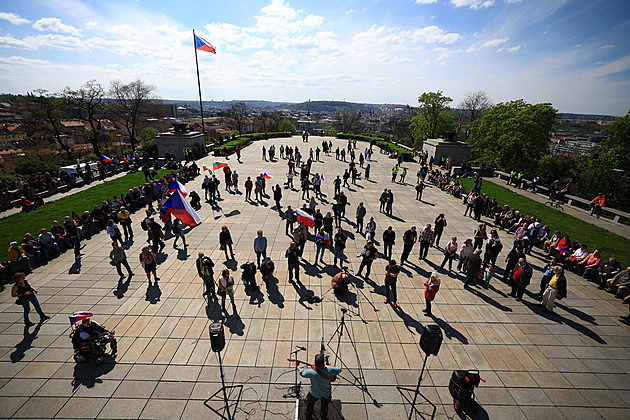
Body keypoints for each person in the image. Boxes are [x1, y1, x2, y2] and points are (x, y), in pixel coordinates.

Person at [297, 354, 340, 420]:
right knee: (325, 405)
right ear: (324, 362)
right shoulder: (330, 370)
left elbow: (301, 372)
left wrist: (297, 365)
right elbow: (339, 369)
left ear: (315, 362)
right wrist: (327, 367)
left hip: (314, 392)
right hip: (326, 393)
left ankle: (308, 416)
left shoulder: (311, 372)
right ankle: (323, 417)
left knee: (310, 403)